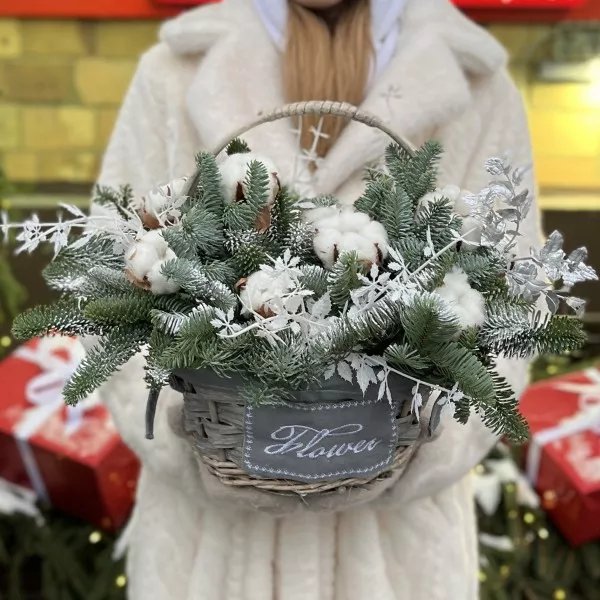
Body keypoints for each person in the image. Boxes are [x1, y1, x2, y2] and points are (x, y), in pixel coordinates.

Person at [96, 0, 542, 598]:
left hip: (392, 557)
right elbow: (109, 282)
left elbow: (515, 305)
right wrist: (197, 447)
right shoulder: (174, 72)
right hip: (211, 553)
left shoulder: (474, 83)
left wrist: (412, 454)